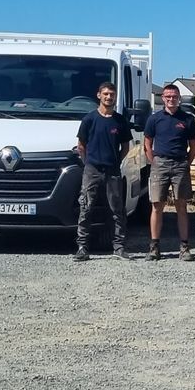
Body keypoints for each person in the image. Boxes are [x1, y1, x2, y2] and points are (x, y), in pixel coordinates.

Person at [74, 81, 131, 261]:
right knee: (86, 207)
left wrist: (116, 162)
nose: (109, 97)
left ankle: (119, 247)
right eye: (105, 94)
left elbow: (125, 147)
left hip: (112, 170)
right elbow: (81, 145)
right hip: (92, 170)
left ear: (115, 97)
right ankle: (82, 247)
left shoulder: (120, 121)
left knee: (117, 210)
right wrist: (87, 163)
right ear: (99, 95)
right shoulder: (89, 119)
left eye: (111, 94)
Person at [143, 83, 195, 260]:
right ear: (163, 98)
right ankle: (154, 247)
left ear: (179, 98)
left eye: (174, 96)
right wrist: (155, 162)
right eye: (167, 96)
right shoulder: (154, 119)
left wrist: (185, 163)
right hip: (160, 163)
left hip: (180, 164)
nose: (171, 99)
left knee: (181, 206)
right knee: (157, 205)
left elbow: (193, 146)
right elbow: (147, 143)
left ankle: (184, 247)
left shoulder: (188, 119)